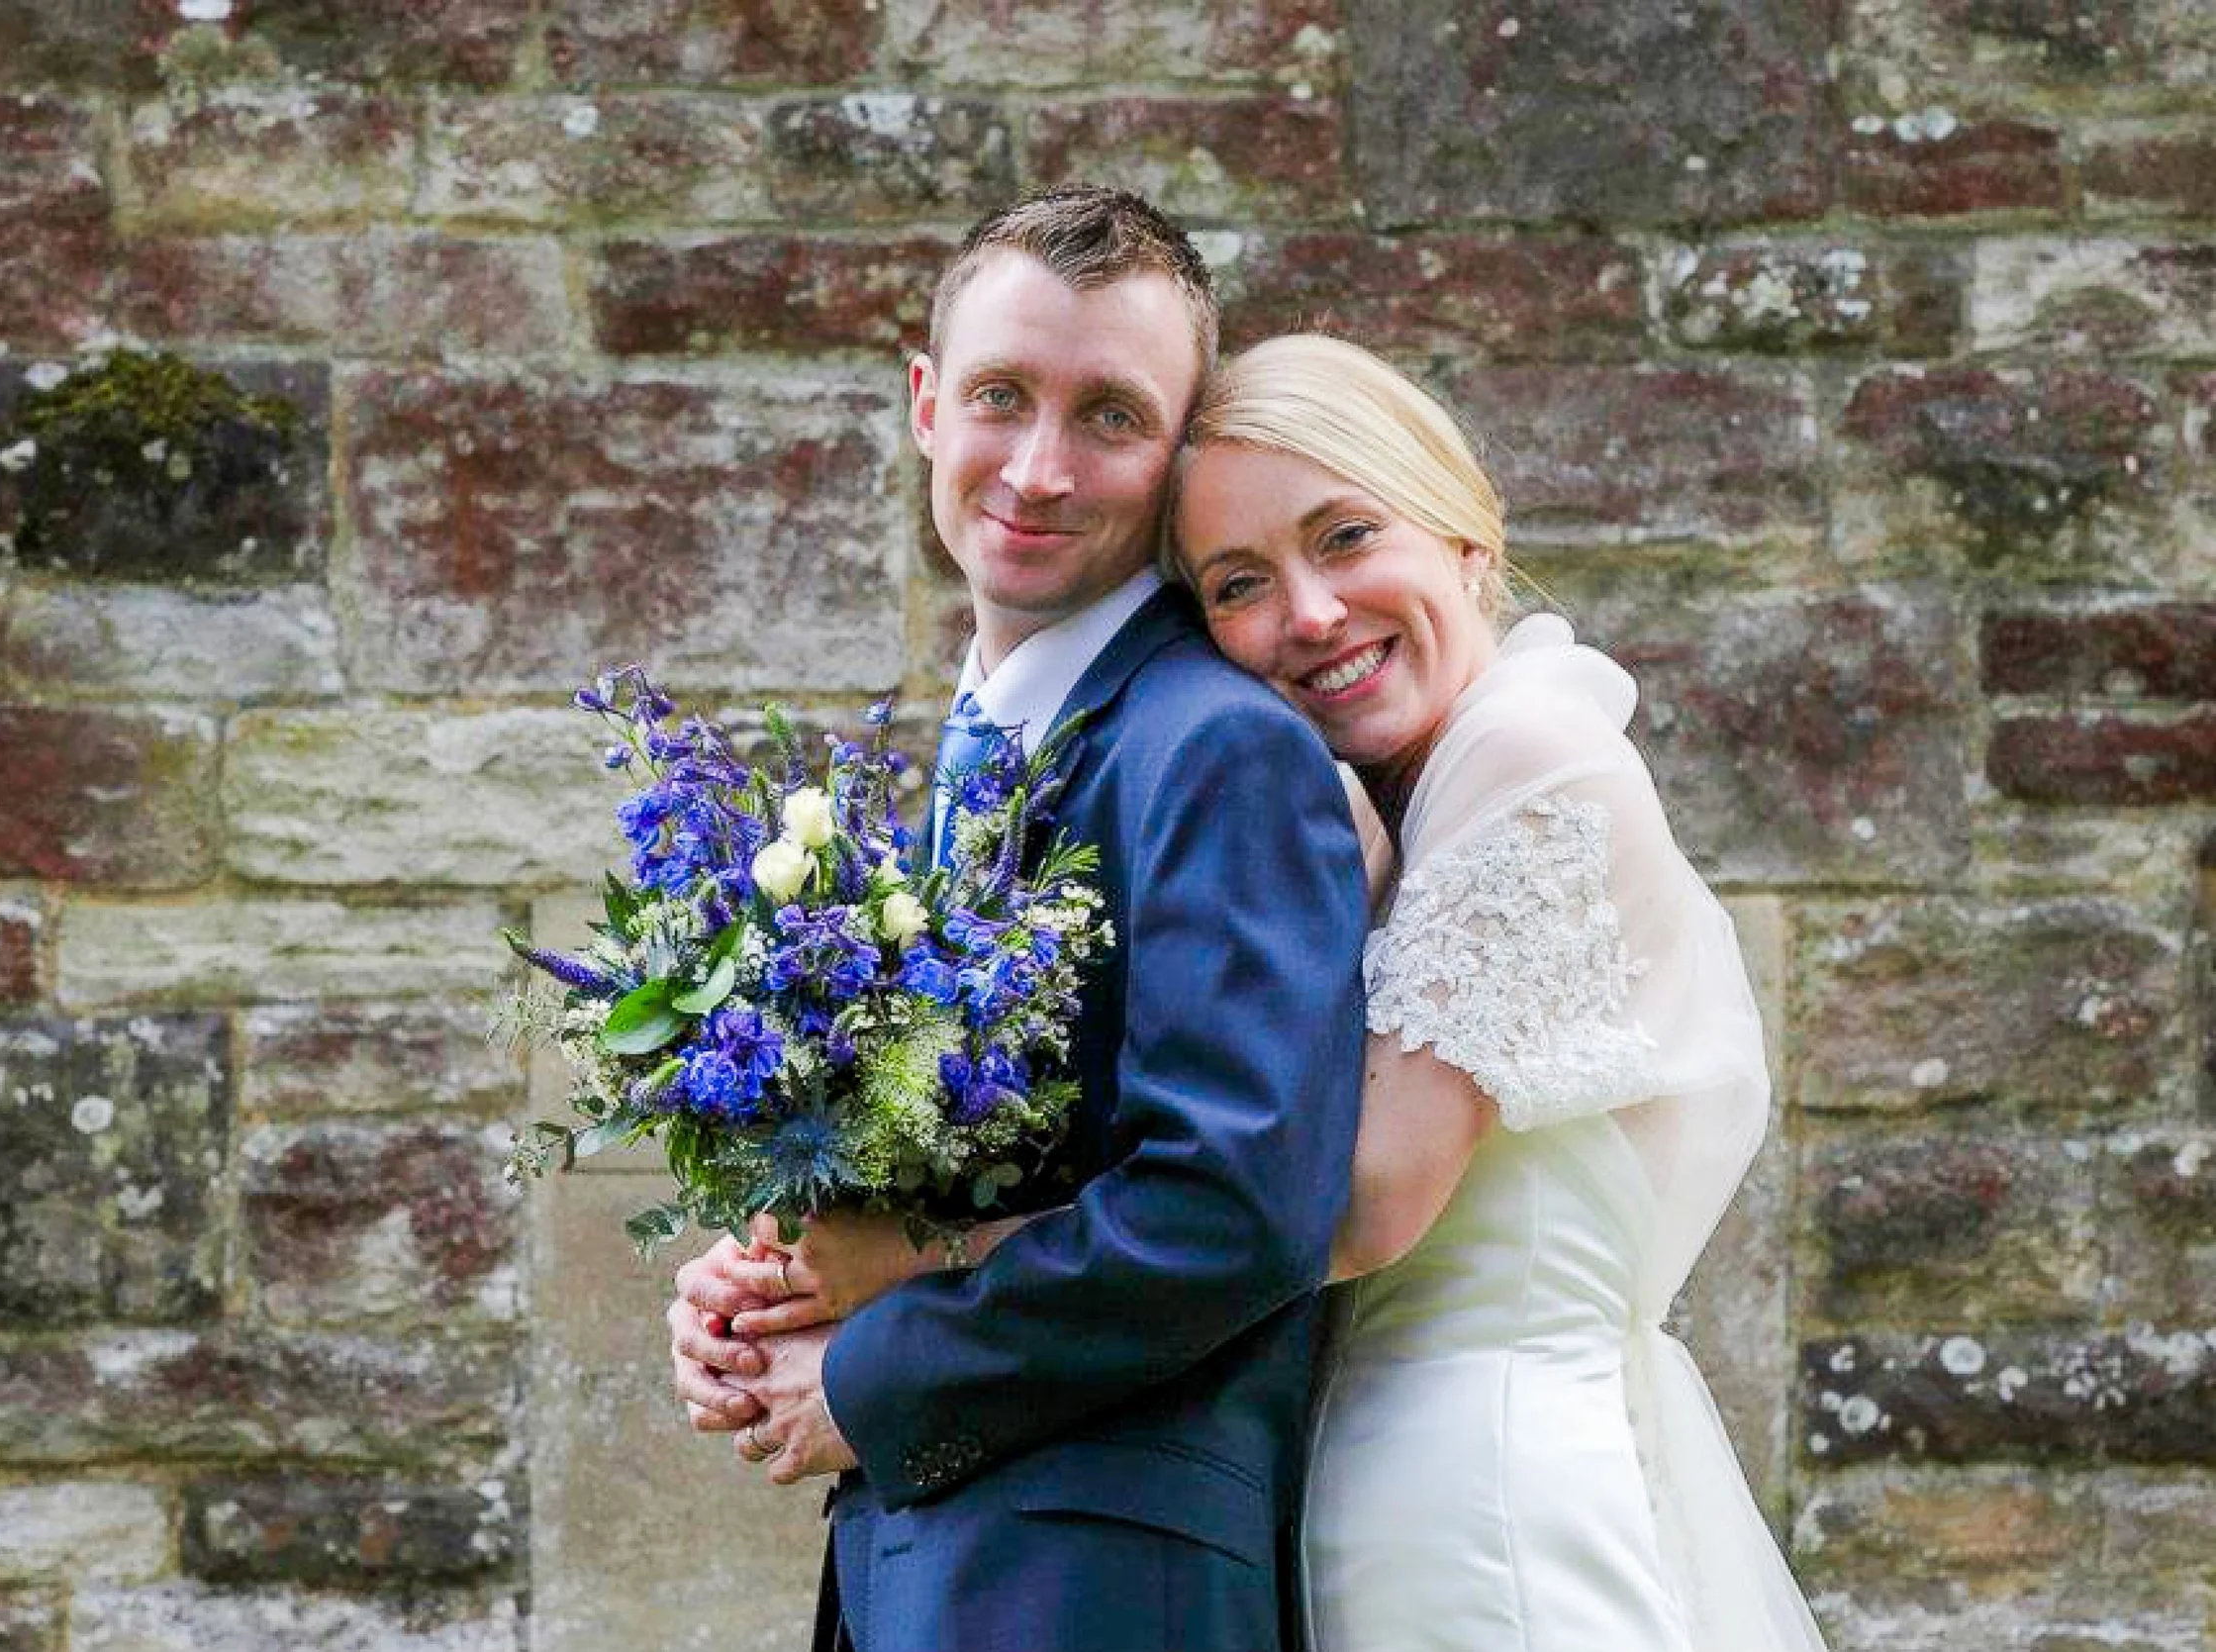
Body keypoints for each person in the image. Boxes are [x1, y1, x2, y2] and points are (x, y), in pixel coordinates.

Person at [709, 331, 1831, 1650]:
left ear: (1470, 538)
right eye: (1242, 583)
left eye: (1348, 536)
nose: (1306, 614)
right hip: (1356, 1482)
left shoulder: (1527, 755)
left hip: (1475, 1495)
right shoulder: (1391, 806)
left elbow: (1347, 1207)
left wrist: (903, 1270)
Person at [666, 192, 1371, 1652]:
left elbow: (1228, 1210)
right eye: (1001, 397)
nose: (1039, 469)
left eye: (1109, 416)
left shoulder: (1216, 749)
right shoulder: (979, 754)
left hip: (1101, 1585)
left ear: (1177, 459)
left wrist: (873, 1378)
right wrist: (769, 1280)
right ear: (927, 405)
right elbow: (975, 1172)